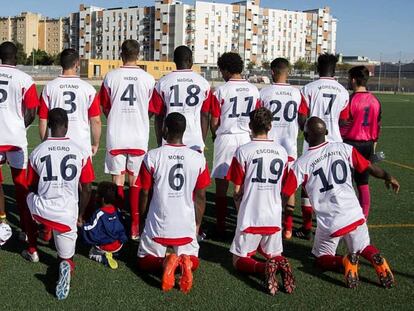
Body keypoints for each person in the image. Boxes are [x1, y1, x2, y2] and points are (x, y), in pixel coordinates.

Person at [282, 117, 399, 289]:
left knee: (321, 259)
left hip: (330, 221)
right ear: (327, 133)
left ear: (305, 137)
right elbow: (369, 168)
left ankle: (344, 261)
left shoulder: (301, 164)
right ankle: (375, 257)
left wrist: (282, 216)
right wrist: (388, 176)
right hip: (354, 213)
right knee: (364, 247)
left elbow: (286, 192)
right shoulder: (344, 148)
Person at [137, 112, 210, 294]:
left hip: (158, 224)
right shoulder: (198, 159)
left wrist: (142, 219)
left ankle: (165, 261)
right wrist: (197, 225)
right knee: (194, 260)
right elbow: (201, 197)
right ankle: (182, 262)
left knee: (143, 260)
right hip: (185, 225)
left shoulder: (152, 156)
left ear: (165, 129)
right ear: (183, 131)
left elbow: (145, 192)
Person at [24, 108, 93, 300]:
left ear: (48, 126)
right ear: (67, 126)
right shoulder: (80, 152)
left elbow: (32, 186)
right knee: (66, 258)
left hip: (42, 210)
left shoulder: (37, 152)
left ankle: (33, 246)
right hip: (67, 215)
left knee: (27, 196)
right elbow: (87, 188)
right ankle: (65, 266)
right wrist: (80, 215)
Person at [226, 107, 295, 295]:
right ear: (270, 126)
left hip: (251, 216)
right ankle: (279, 264)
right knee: (275, 255)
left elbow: (237, 191)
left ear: (250, 126)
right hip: (273, 217)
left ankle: (263, 269)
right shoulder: (282, 152)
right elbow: (286, 189)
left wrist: (239, 209)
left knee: (237, 260)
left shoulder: (243, 151)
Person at [38, 48, 101, 241]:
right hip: (80, 146)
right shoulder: (88, 88)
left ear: (60, 64)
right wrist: (95, 143)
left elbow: (42, 120)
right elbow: (96, 120)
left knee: (52, 184)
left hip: (54, 142)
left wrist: (45, 143)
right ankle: (78, 219)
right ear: (77, 64)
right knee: (84, 187)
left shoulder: (50, 87)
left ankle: (48, 224)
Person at [98, 39, 156, 240]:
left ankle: (118, 220)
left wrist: (116, 118)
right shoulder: (148, 79)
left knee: (117, 180)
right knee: (135, 181)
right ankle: (135, 225)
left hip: (117, 133)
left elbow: (105, 106)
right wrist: (139, 119)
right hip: (139, 135)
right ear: (138, 55)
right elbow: (152, 109)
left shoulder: (110, 77)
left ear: (121, 54)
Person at [296, 53, 350, 240]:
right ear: (334, 70)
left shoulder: (308, 88)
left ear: (318, 69)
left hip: (313, 142)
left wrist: (306, 130)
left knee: (308, 185)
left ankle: (306, 227)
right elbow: (344, 120)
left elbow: (302, 117)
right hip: (335, 143)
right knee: (334, 184)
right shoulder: (343, 91)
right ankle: (333, 223)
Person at [210, 52, 260, 236]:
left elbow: (214, 120)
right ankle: (243, 224)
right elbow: (257, 117)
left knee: (222, 184)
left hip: (227, 137)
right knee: (245, 184)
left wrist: (215, 134)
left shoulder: (221, 91)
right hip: (247, 138)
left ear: (225, 69)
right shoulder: (254, 90)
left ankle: (221, 225)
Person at [259, 58, 304, 239]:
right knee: (289, 187)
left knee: (268, 188)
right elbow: (302, 119)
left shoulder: (265, 92)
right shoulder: (297, 94)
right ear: (289, 71)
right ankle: (288, 227)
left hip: (268, 147)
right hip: (289, 148)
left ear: (272, 72)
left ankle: (271, 223)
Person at [0, 41, 39, 238]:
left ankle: (2, 219)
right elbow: (32, 112)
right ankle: (25, 226)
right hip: (15, 139)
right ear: (15, 57)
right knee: (20, 184)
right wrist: (18, 126)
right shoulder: (24, 78)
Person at [151, 46, 212, 152]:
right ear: (190, 60)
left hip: (170, 137)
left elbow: (159, 116)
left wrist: (159, 141)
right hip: (194, 139)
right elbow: (205, 115)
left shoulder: (163, 82)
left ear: (174, 61)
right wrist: (201, 140)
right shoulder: (203, 83)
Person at [341, 66, 382, 219]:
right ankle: (363, 216)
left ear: (353, 80)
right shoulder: (375, 100)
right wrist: (373, 148)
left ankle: (346, 216)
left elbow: (343, 125)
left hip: (350, 145)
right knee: (363, 183)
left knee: (345, 184)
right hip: (368, 145)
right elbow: (377, 127)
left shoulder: (350, 100)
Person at [82, 181, 128, 270]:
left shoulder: (99, 213)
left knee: (91, 252)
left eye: (97, 194)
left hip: (106, 246)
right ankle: (114, 253)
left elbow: (91, 230)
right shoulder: (117, 210)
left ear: (102, 199)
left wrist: (81, 226)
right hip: (119, 245)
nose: (95, 196)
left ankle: (101, 256)